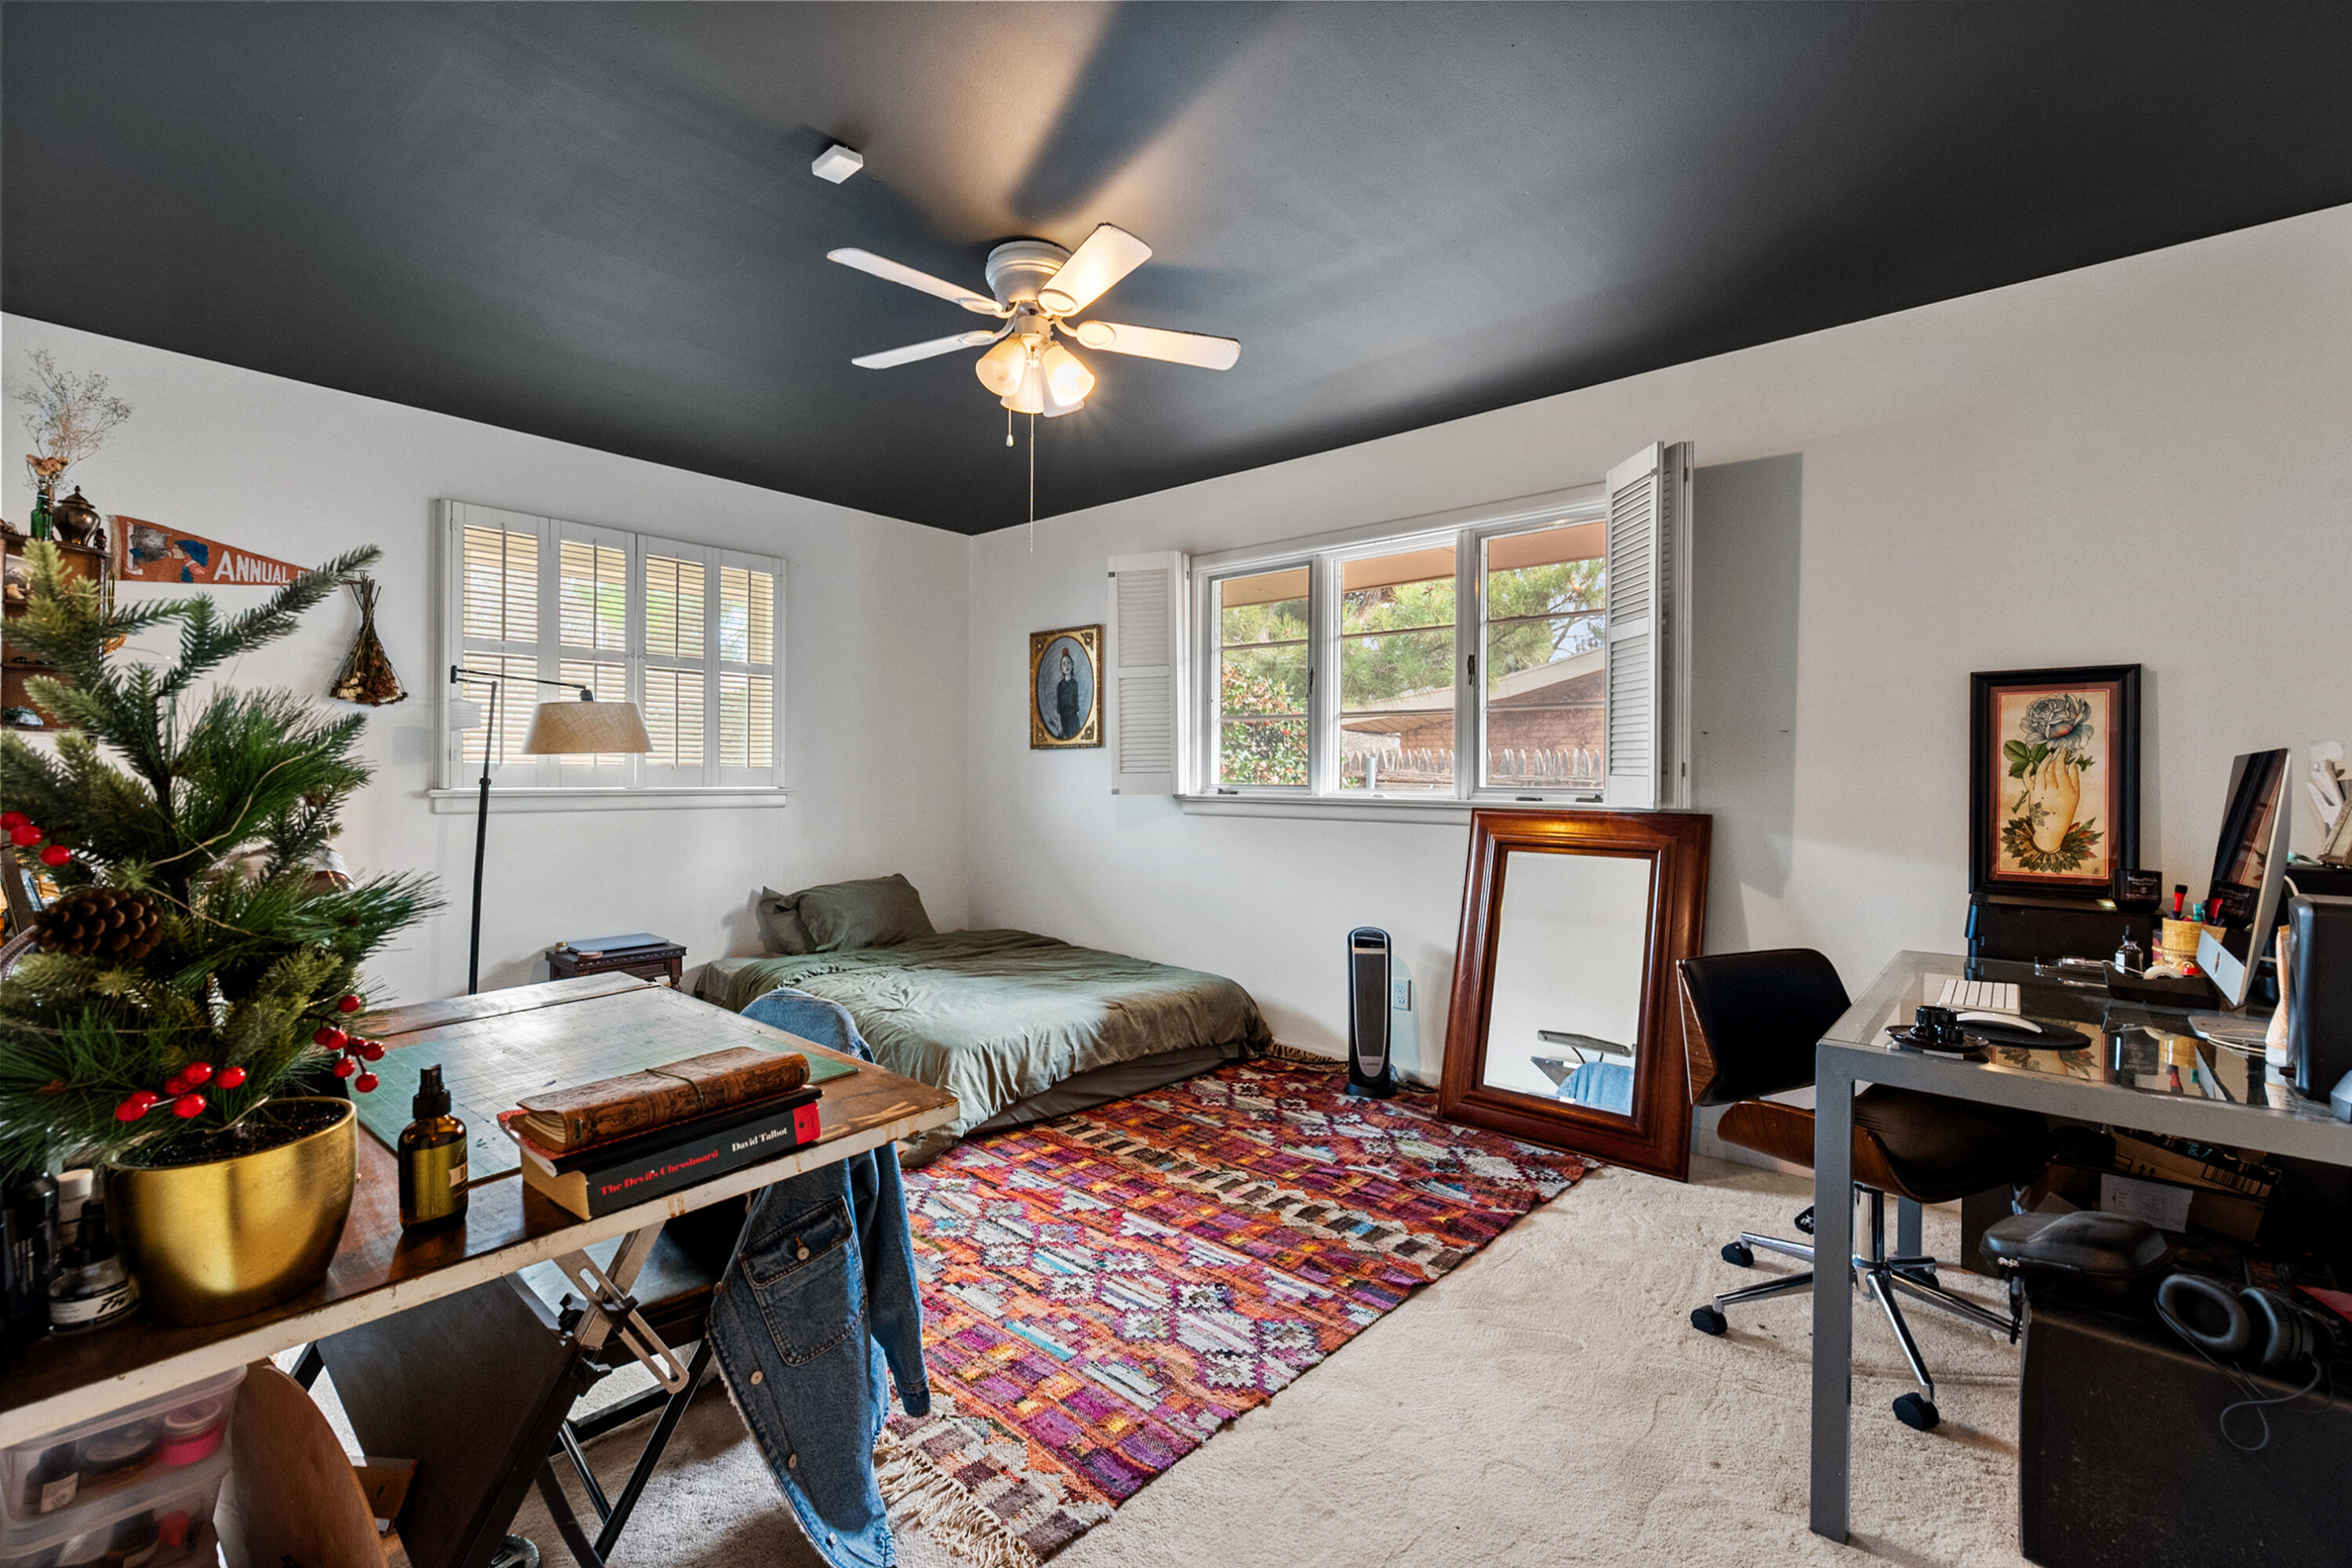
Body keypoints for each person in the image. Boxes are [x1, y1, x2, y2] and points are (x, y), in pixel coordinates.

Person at [1054, 647, 1084, 739]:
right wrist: (1060, 725)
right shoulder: (1060, 686)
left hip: (1073, 721)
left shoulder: (1075, 684)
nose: (1066, 666)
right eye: (1064, 664)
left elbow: (1077, 706)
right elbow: (1059, 708)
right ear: (1061, 668)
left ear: (1072, 665)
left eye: (1068, 663)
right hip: (1063, 721)